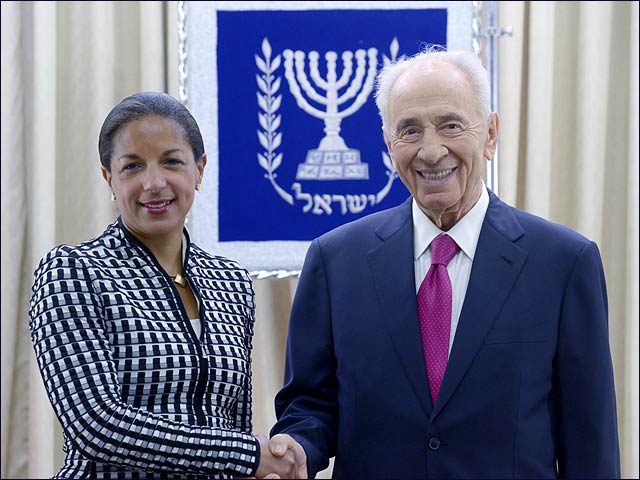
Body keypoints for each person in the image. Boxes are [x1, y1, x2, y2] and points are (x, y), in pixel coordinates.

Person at [268, 48, 621, 478]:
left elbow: (590, 441)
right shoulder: (335, 260)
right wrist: (299, 446)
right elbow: (310, 403)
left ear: (490, 134)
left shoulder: (564, 264)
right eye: (410, 131)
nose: (431, 151)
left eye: (451, 125)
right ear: (387, 143)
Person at [28, 92, 306, 479]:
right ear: (109, 178)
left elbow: (233, 421)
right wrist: (247, 455)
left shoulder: (230, 281)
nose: (154, 183)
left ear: (199, 169)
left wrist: (263, 464)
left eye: (172, 162)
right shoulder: (73, 271)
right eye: (132, 167)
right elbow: (96, 427)